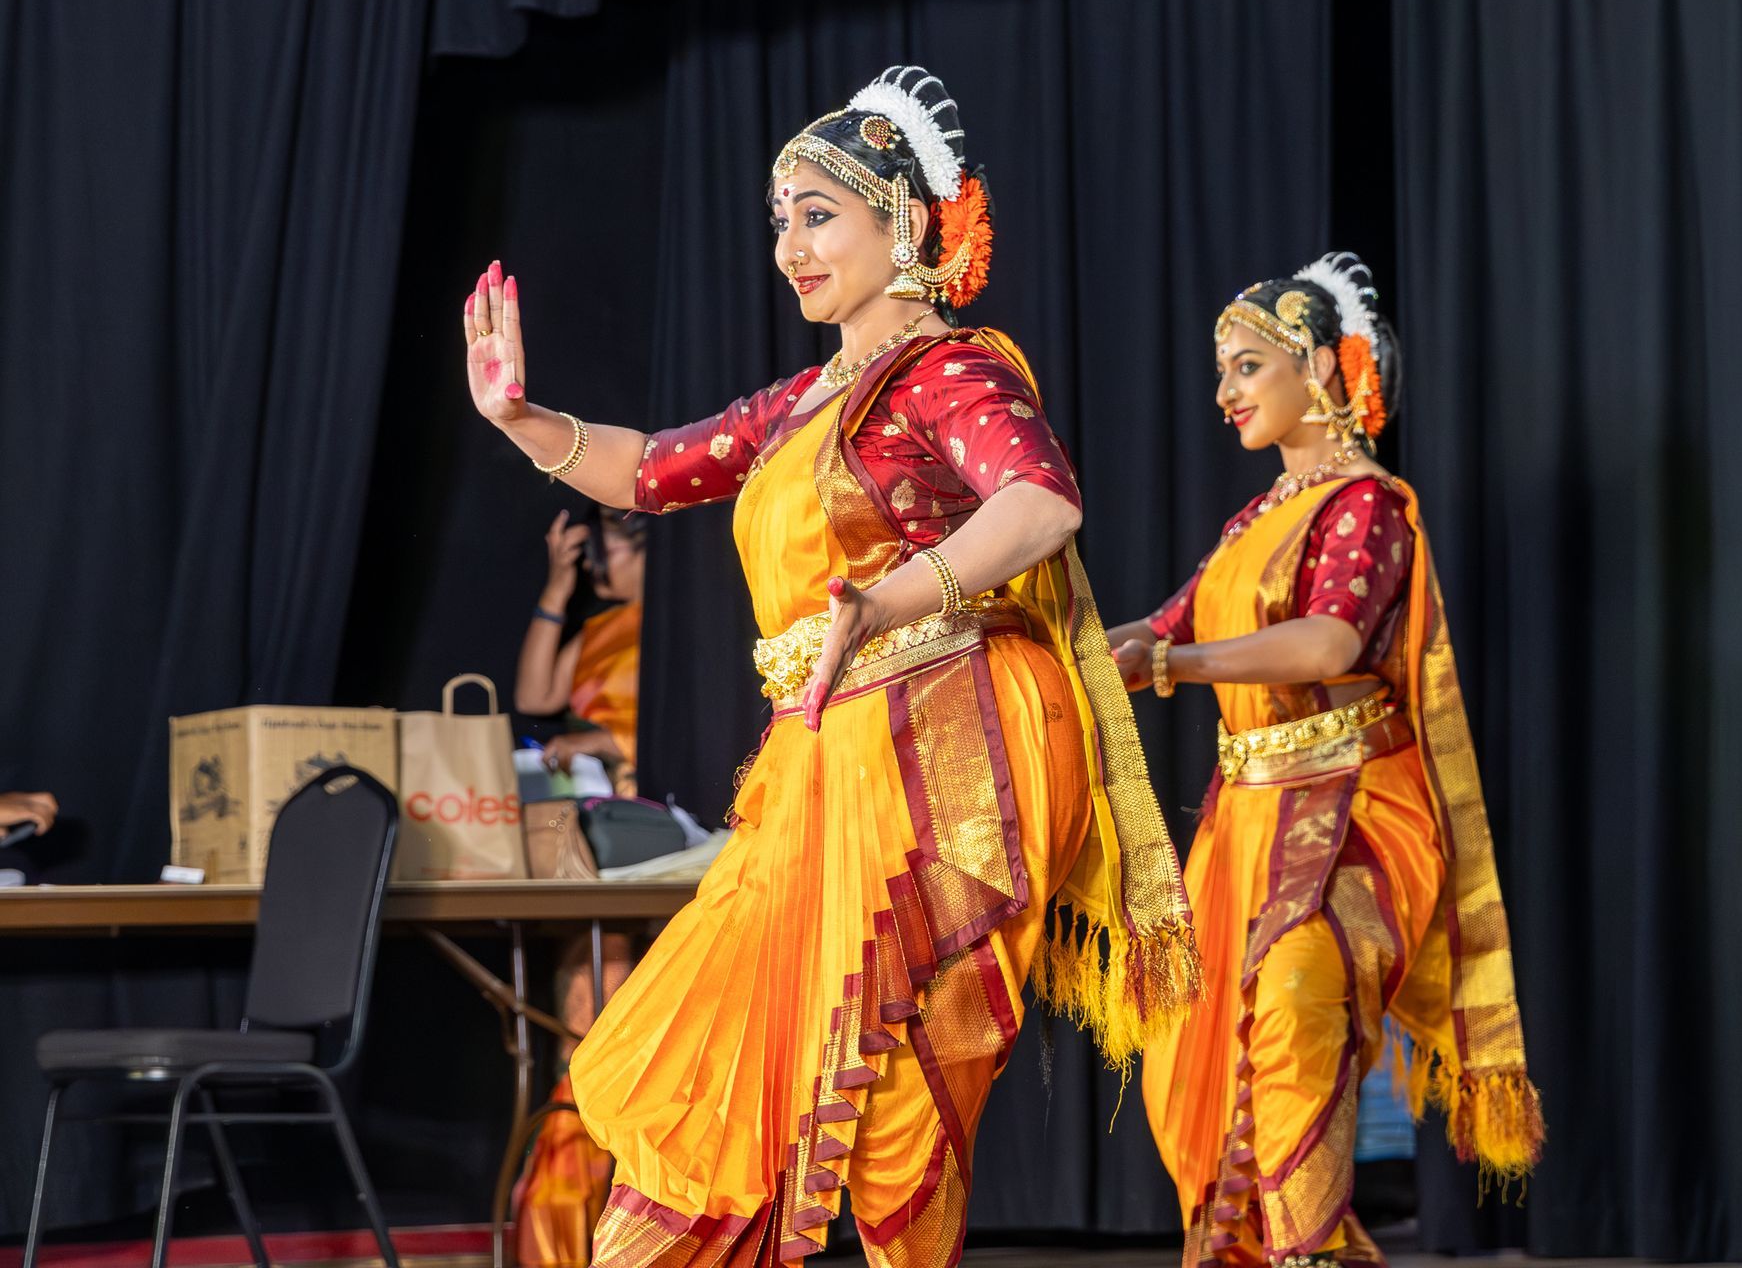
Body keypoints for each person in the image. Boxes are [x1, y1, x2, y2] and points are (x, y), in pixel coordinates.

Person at [460, 65, 1196, 1265]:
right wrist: (520, 419)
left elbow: (1041, 503)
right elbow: (646, 467)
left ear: (903, 222)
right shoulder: (803, 400)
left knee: (900, 1091)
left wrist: (887, 597)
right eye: (779, 221)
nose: (789, 247)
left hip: (947, 744)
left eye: (818, 215)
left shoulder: (948, 369)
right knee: (728, 1058)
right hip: (827, 759)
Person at [1110, 257, 1543, 1266]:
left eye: (1247, 366)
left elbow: (1329, 640)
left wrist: (1171, 665)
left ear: (1318, 368)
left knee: (1296, 995)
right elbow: (1160, 627)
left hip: (1354, 811)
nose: (1225, 393)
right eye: (1222, 371)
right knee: (1197, 1053)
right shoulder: (1254, 522)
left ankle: (1303, 1253)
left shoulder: (1370, 506)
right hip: (1244, 826)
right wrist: (1036, 643)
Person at [514, 506, 647, 792]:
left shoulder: (684, 625)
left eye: (599, 548)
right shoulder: (602, 629)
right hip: (596, 789)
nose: (587, 563)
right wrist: (555, 592)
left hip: (650, 791)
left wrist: (601, 742)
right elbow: (534, 699)